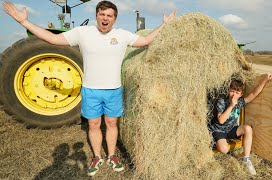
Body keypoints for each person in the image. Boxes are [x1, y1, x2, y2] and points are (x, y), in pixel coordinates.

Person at [2, 0, 176, 176]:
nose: (105, 18)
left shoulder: (122, 35)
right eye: (102, 14)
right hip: (90, 90)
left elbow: (146, 40)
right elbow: (53, 39)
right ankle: (97, 156)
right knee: (93, 124)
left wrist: (164, 24)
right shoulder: (82, 32)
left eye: (109, 15)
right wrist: (24, 22)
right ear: (97, 16)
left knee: (111, 123)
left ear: (114, 18)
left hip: (113, 90)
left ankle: (112, 156)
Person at [209, 73, 272, 175]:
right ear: (228, 91)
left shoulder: (240, 102)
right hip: (218, 130)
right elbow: (221, 120)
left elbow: (253, 94)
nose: (234, 94)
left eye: (237, 92)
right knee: (224, 150)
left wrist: (265, 80)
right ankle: (217, 142)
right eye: (232, 91)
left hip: (230, 129)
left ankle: (246, 158)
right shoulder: (222, 101)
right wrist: (231, 106)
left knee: (247, 128)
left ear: (241, 94)